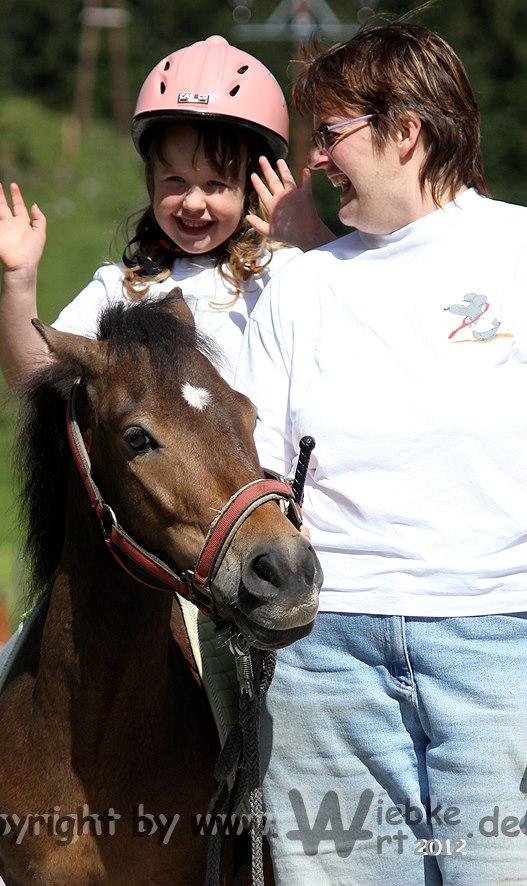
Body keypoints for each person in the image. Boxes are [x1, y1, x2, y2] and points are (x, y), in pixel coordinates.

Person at [234, 21, 527, 886]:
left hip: (497, 641)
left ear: (404, 129)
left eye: (328, 134)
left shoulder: (517, 250)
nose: (316, 159)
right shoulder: (297, 283)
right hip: (324, 656)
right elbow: (256, 468)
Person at [0, 35, 332, 390]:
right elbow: (32, 375)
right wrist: (19, 276)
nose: (192, 201)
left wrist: (313, 240)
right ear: (151, 180)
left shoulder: (282, 272)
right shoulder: (123, 288)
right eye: (175, 179)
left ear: (250, 186)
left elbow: (362, 317)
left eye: (215, 184)